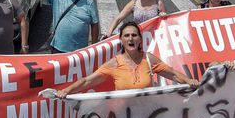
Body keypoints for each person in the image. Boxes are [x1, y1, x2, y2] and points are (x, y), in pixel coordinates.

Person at [57, 22, 198, 95]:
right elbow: (87, 81)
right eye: (126, 36)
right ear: (121, 40)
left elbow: (172, 74)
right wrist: (66, 91)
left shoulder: (149, 59)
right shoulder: (114, 63)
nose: (131, 38)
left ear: (140, 39)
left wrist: (189, 81)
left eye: (134, 35)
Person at [36, 0, 100, 53]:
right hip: (58, 48)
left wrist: (94, 45)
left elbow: (94, 24)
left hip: (80, 51)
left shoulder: (89, 2)